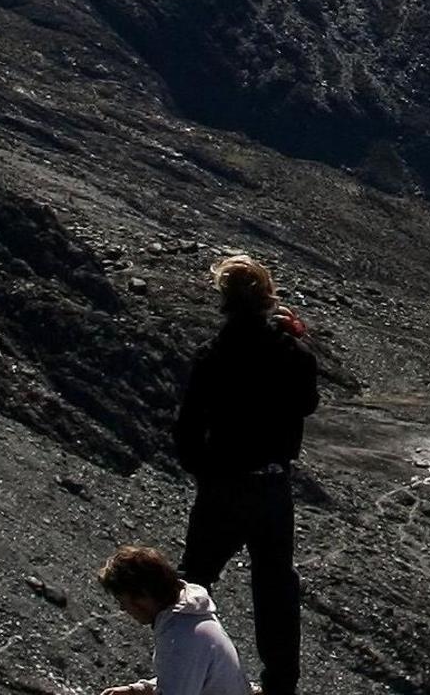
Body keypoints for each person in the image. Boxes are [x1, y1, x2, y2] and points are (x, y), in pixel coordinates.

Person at [173, 254, 319, 695]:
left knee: (192, 582)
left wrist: (207, 471)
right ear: (267, 297)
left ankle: (184, 673)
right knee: (276, 587)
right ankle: (279, 687)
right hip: (272, 485)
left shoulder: (212, 356)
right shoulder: (290, 354)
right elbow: (307, 402)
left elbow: (187, 430)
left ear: (224, 300)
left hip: (223, 484)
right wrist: (294, 340)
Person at [95, 545, 253, 695]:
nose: (123, 609)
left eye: (123, 601)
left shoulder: (182, 635)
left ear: (142, 597)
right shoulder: (188, 617)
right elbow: (182, 675)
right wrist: (138, 690)